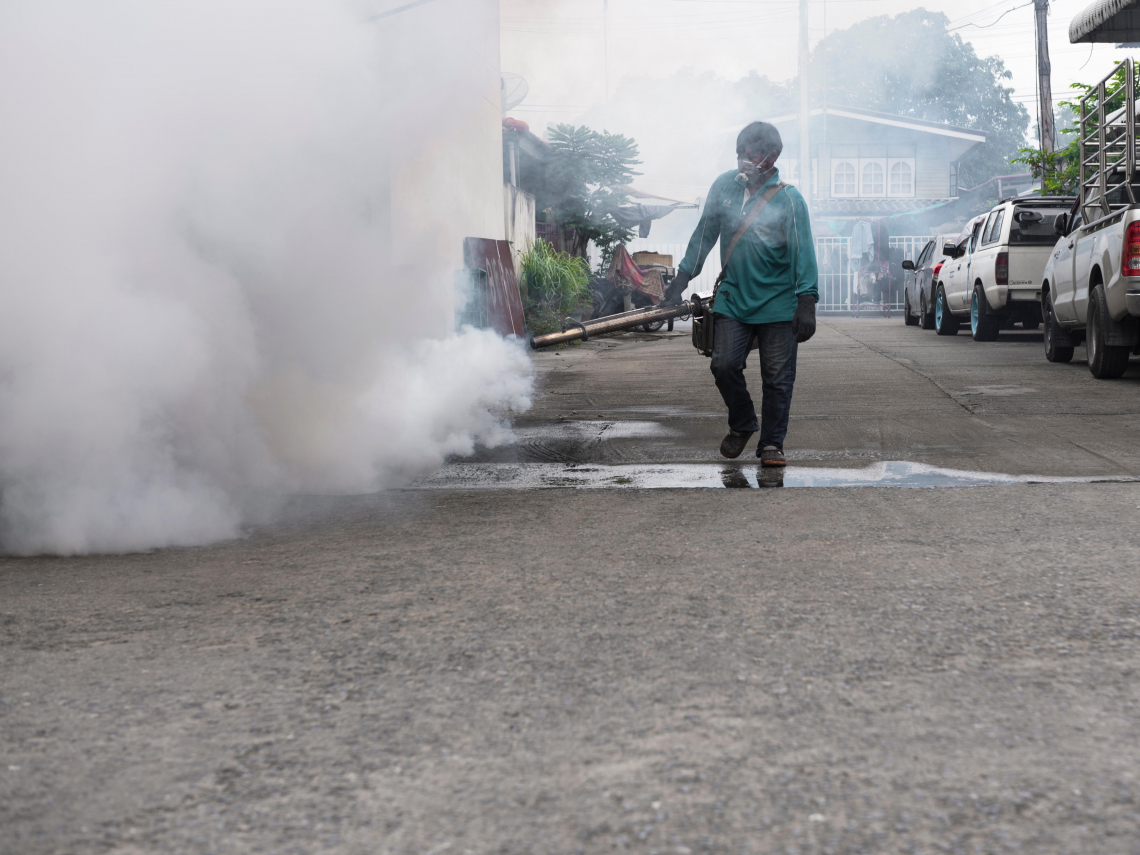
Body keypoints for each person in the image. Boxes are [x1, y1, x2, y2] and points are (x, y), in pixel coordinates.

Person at [666, 122, 818, 466]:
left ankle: (771, 444)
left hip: (779, 302)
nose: (743, 162)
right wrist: (680, 281)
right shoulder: (724, 188)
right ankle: (743, 422)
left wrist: (806, 300)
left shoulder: (790, 200)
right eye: (739, 154)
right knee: (723, 365)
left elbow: (803, 253)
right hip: (734, 297)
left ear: (772, 157)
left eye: (750, 155)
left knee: (778, 379)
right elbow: (703, 236)